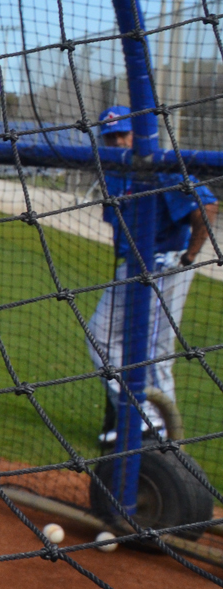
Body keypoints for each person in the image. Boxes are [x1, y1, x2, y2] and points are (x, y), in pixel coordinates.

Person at [85, 106, 218, 446]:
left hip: (166, 266)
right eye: (110, 136)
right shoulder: (113, 171)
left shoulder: (162, 165)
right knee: (100, 336)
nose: (117, 141)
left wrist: (188, 258)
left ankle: (163, 436)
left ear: (136, 133)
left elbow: (207, 207)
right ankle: (139, 417)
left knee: (155, 350)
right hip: (132, 267)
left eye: (122, 133)